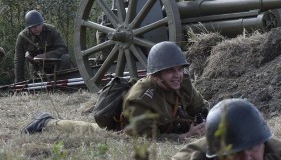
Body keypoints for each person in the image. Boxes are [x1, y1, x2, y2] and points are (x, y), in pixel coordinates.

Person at [23, 41, 208, 138]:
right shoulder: (142, 98)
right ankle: (46, 122)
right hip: (127, 129)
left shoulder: (183, 83)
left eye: (179, 69)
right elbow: (144, 138)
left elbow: (200, 108)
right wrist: (184, 137)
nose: (177, 75)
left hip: (163, 126)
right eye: (170, 71)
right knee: (91, 131)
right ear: (156, 75)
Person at [14, 10, 73, 82]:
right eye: (34, 27)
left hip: (56, 65)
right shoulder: (22, 37)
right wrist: (19, 82)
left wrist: (46, 56)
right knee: (38, 85)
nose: (37, 28)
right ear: (28, 28)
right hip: (38, 68)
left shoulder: (51, 30)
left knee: (66, 57)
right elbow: (18, 60)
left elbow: (64, 49)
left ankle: (61, 82)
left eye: (39, 25)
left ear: (42, 23)